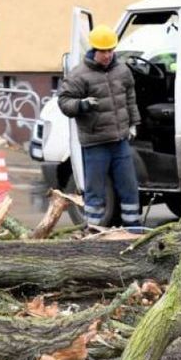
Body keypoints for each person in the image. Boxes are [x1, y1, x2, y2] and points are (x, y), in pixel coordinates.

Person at [57, 25, 141, 227]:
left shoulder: (122, 70)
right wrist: (82, 104)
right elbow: (64, 101)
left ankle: (134, 230)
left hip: (120, 141)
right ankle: (92, 231)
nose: (107, 55)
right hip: (95, 143)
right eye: (103, 51)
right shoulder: (79, 75)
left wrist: (133, 123)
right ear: (93, 50)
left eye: (110, 50)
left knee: (129, 188)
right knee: (96, 192)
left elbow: (129, 98)